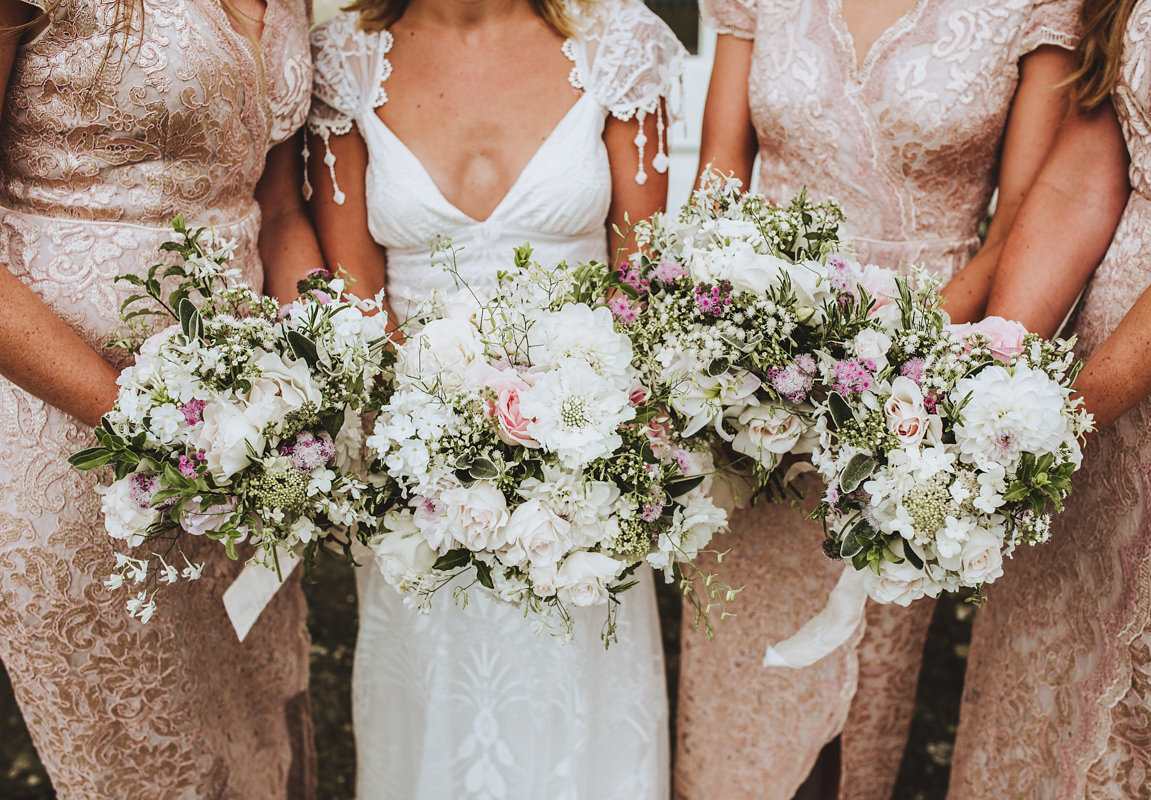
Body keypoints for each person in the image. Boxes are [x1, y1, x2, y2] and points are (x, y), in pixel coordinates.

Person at [674, 2, 1083, 798]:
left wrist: (896, 361)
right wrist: (709, 325)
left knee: (860, 684)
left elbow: (1019, 226)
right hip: (752, 381)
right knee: (736, 696)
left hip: (911, 396)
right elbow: (722, 163)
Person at [304, 1, 682, 797]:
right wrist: (442, 445)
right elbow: (357, 294)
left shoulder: (619, 41)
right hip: (420, 478)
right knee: (432, 724)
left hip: (586, 469)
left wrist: (578, 440)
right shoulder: (343, 57)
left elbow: (643, 283)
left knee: (580, 718)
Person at [0, 0, 323, 795]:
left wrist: (324, 368)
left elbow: (276, 208)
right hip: (67, 435)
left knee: (249, 738)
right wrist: (149, 428)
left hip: (245, 445)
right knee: (146, 758)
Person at [943, 0, 1151, 795]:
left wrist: (1069, 415)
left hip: (1149, 406)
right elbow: (1095, 153)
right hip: (1090, 383)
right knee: (1040, 683)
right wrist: (998, 383)